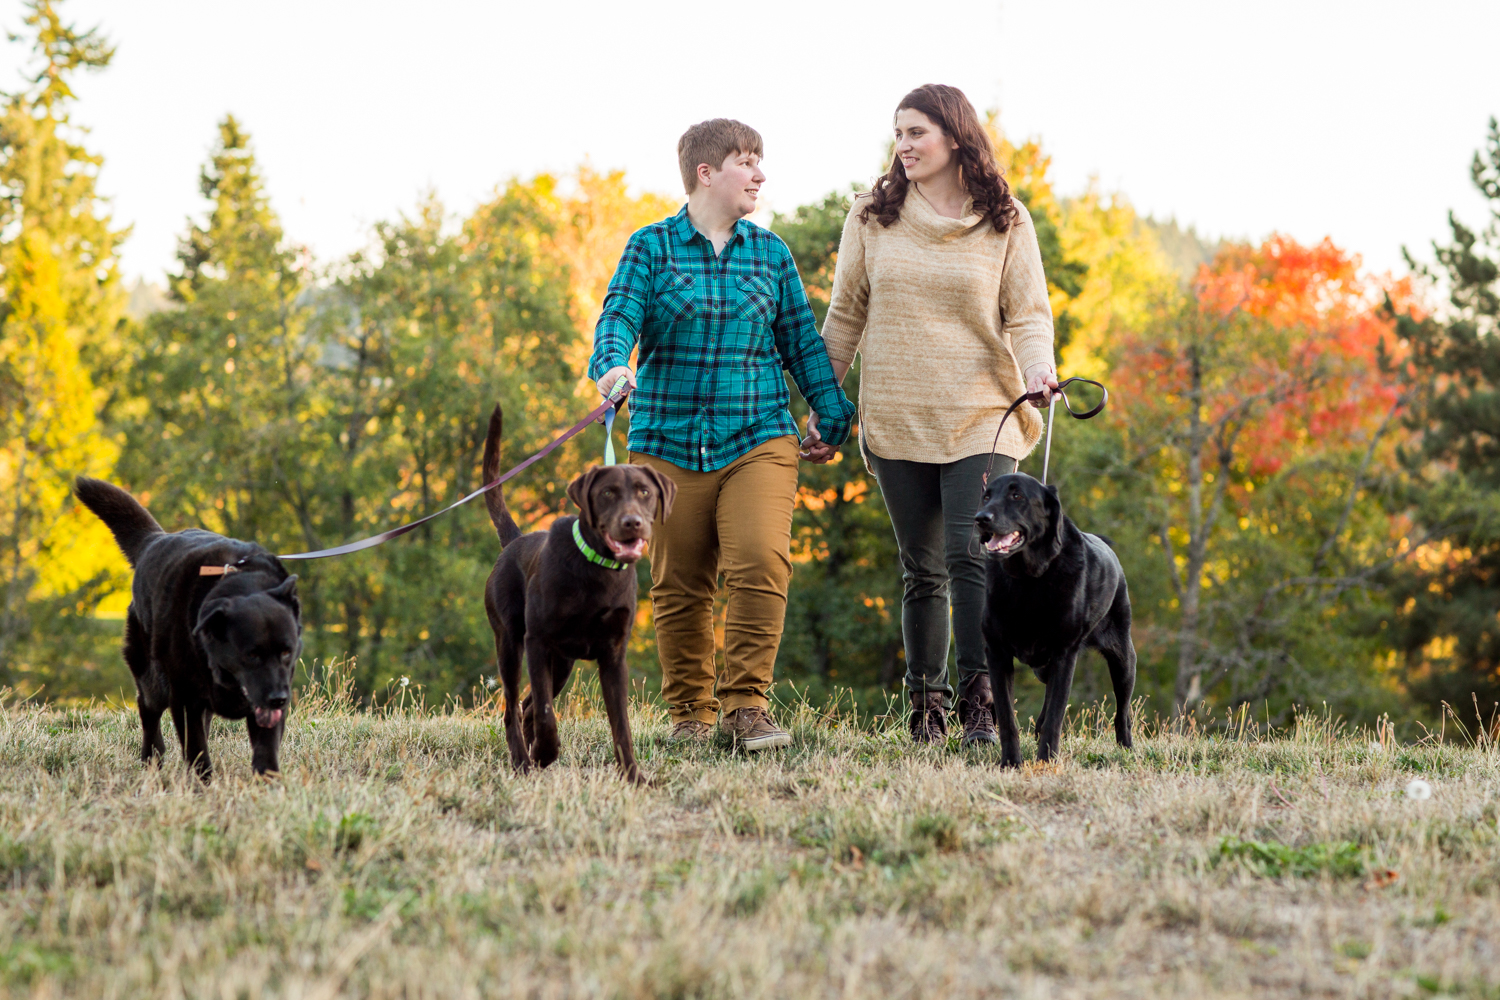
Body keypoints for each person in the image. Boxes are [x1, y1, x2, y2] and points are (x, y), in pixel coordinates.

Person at [803, 84, 1060, 747]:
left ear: (953, 136)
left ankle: (983, 704)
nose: (904, 145)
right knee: (922, 568)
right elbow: (845, 316)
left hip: (982, 412)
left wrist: (1037, 371)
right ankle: (926, 708)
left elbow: (1027, 314)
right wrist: (824, 405)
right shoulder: (872, 216)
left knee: (972, 556)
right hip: (896, 411)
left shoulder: (1006, 218)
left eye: (916, 132)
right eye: (898, 134)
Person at [589, 119, 856, 750]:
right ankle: (690, 714)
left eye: (761, 162)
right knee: (679, 581)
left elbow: (800, 343)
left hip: (757, 435)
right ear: (706, 173)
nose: (760, 174)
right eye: (747, 162)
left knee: (761, 557)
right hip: (665, 443)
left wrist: (831, 409)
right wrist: (612, 366)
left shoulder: (772, 255)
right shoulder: (650, 247)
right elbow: (619, 313)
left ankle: (745, 709)